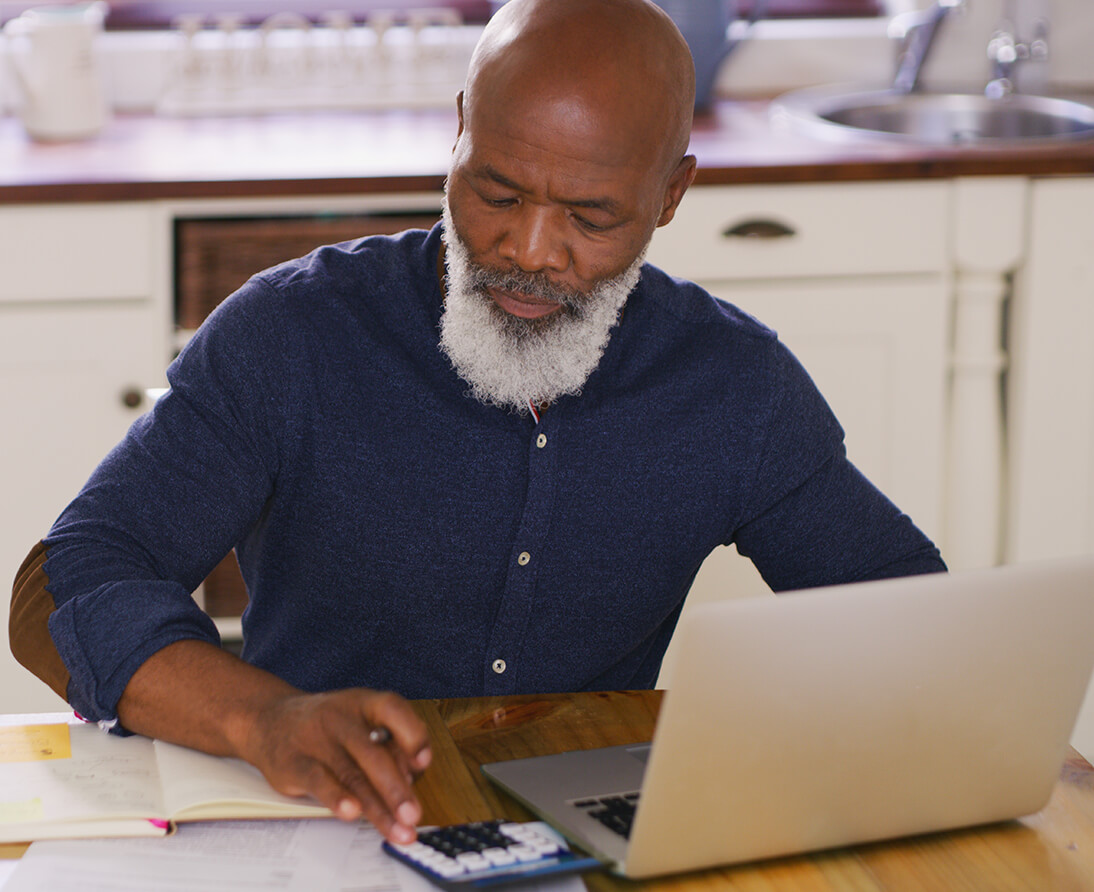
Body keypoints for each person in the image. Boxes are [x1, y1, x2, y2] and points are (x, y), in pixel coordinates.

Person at [9, 0, 944, 847]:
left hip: (584, 839)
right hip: (302, 818)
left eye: (591, 216)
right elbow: (59, 589)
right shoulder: (292, 334)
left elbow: (916, 629)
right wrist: (265, 719)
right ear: (458, 131)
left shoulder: (735, 388)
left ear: (671, 194)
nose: (529, 251)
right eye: (497, 192)